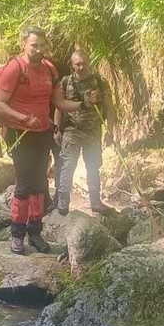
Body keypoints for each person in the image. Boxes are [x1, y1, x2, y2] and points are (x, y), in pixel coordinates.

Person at [0, 27, 81, 254]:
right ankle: (17, 235)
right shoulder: (15, 68)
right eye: (34, 45)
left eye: (42, 45)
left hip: (42, 132)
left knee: (40, 184)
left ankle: (35, 232)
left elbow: (59, 102)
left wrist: (84, 105)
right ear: (24, 44)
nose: (39, 50)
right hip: (19, 133)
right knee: (24, 184)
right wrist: (23, 118)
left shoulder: (49, 69)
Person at [55, 47, 113, 216]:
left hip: (94, 131)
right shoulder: (65, 82)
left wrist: (111, 131)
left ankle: (95, 203)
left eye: (84, 63)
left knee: (93, 167)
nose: (81, 67)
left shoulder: (100, 81)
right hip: (72, 131)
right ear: (72, 65)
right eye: (77, 64)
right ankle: (63, 204)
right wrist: (57, 128)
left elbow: (110, 108)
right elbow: (59, 106)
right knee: (68, 166)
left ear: (89, 63)